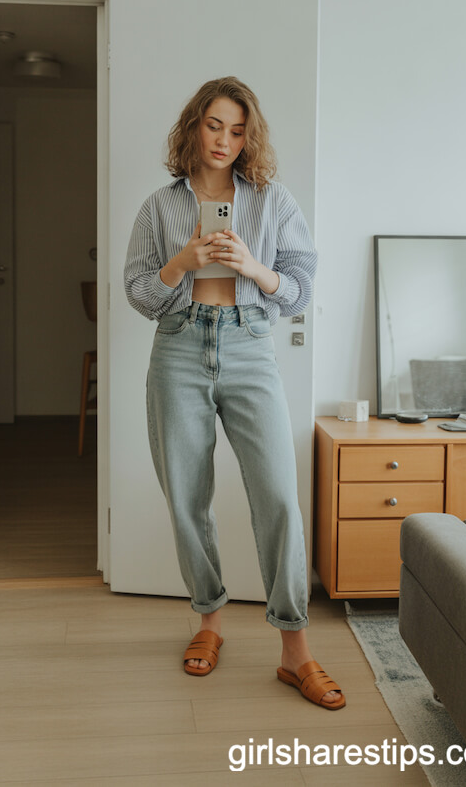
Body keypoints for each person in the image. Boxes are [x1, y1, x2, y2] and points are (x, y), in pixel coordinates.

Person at [124, 76, 345, 710]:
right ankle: (209, 621)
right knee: (187, 496)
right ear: (194, 126)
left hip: (250, 346)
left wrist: (253, 268)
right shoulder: (159, 207)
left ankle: (295, 649)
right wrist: (181, 264)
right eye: (214, 125)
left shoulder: (272, 201)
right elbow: (140, 292)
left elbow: (301, 284)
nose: (225, 139)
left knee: (277, 494)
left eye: (238, 129)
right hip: (179, 347)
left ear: (250, 137)